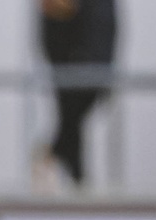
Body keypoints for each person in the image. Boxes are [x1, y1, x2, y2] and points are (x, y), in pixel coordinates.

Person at [39, 0, 116, 185]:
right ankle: (69, 167)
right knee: (71, 115)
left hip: (90, 62)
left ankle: (60, 154)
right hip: (72, 60)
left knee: (72, 116)